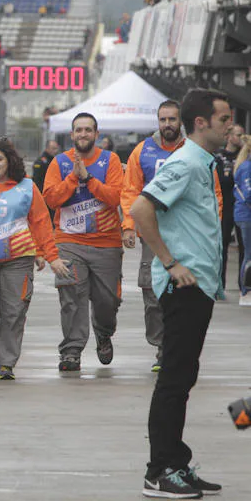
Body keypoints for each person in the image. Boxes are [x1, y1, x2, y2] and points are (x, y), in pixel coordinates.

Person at [131, 89, 231, 499]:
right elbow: (141, 209)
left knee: (183, 377)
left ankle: (176, 461)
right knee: (173, 379)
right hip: (183, 286)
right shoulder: (187, 161)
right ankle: (159, 472)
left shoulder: (202, 162)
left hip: (199, 286)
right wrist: (170, 262)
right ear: (202, 123)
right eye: (224, 119)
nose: (231, 125)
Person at [0, 141, 70, 380]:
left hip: (19, 259)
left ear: (9, 160)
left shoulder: (27, 186)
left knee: (14, 311)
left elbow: (41, 222)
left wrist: (51, 256)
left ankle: (6, 363)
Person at [42, 112, 124, 372]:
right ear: (72, 134)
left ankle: (104, 332)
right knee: (71, 297)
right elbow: (51, 199)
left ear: (96, 134)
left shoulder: (110, 160)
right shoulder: (59, 162)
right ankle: (72, 350)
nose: (83, 134)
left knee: (106, 302)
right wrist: (73, 178)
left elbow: (115, 198)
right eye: (79, 130)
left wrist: (89, 179)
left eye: (88, 130)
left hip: (106, 243)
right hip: (69, 241)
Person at [121, 101, 186, 371]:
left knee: (182, 292)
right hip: (151, 234)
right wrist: (128, 225)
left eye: (172, 119)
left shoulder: (192, 150)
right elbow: (130, 191)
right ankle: (160, 345)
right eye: (163, 119)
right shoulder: (142, 151)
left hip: (185, 235)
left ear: (180, 121)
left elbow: (212, 192)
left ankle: (172, 349)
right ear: (157, 121)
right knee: (152, 291)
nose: (167, 124)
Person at [216, 124, 245, 295]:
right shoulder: (219, 156)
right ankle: (220, 284)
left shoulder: (245, 156)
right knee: (222, 245)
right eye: (237, 135)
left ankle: (244, 285)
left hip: (240, 205)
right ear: (228, 136)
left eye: (242, 135)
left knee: (244, 246)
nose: (240, 138)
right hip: (225, 204)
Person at [232, 134, 251, 306]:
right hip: (246, 216)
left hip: (245, 215)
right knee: (249, 254)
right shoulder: (247, 167)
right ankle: (246, 291)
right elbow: (248, 194)